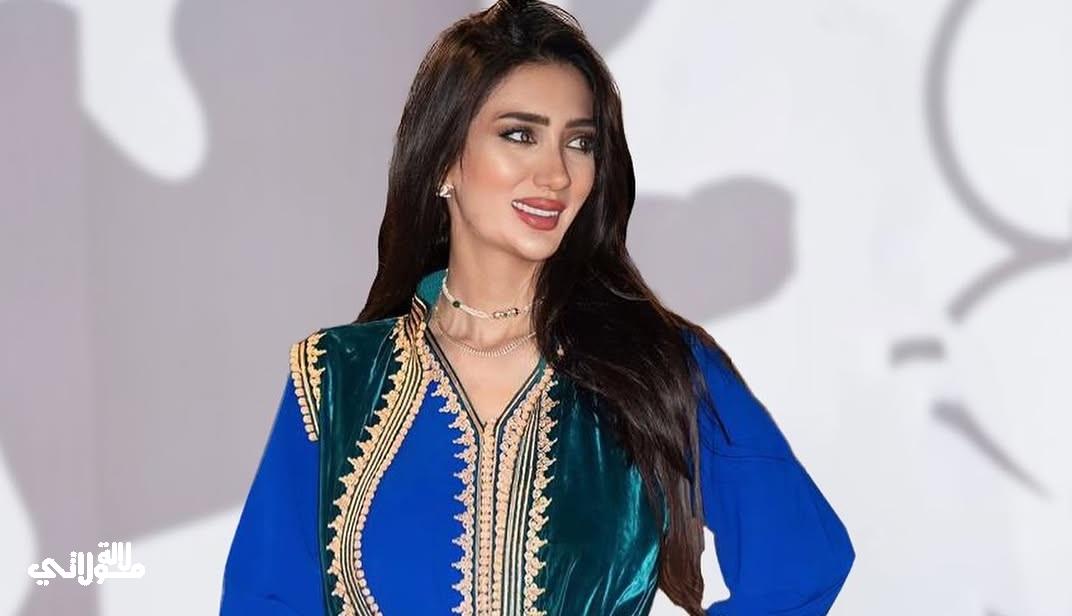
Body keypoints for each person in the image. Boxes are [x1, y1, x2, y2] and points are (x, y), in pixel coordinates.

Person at [220, 1, 855, 614]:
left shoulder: (656, 365)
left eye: (579, 143)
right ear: (443, 161)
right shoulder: (336, 378)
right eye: (520, 135)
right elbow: (265, 601)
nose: (556, 174)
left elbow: (800, 564)